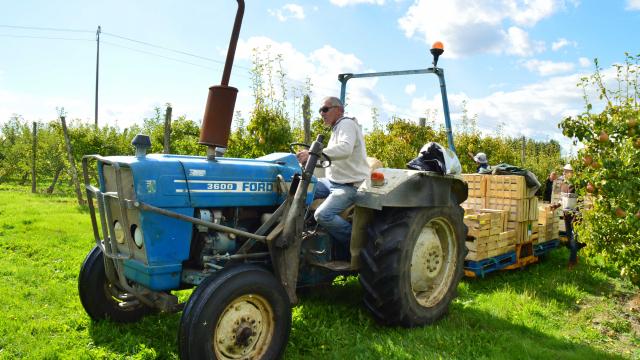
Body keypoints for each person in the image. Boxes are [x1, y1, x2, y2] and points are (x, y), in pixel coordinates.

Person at [296, 96, 369, 261]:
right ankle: (300, 233)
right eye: (320, 110)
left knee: (323, 215)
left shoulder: (347, 124)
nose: (321, 113)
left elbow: (345, 149)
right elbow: (331, 158)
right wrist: (307, 157)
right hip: (332, 182)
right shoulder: (337, 128)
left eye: (325, 109)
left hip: (349, 186)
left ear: (339, 109)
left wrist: (315, 153)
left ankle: (356, 244)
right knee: (299, 191)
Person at [552, 164, 585, 269]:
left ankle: (572, 261)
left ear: (572, 173)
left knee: (573, 239)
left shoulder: (577, 185)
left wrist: (577, 216)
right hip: (566, 215)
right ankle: (575, 257)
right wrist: (556, 205)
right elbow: (562, 199)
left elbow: (581, 202)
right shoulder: (563, 184)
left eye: (567, 171)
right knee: (570, 238)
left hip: (575, 216)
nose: (564, 173)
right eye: (564, 171)